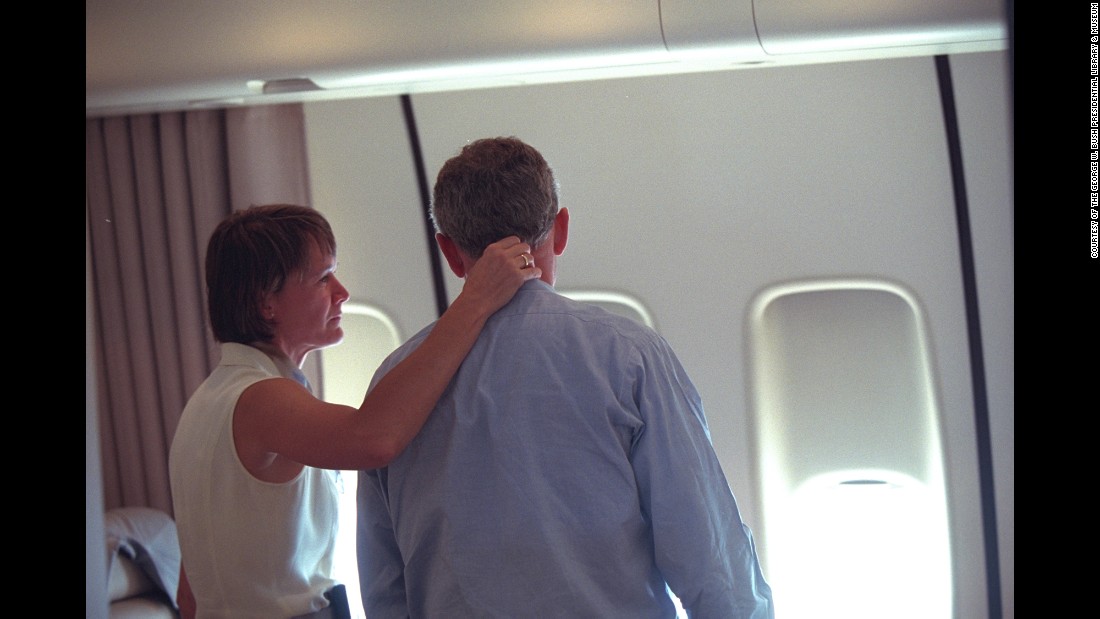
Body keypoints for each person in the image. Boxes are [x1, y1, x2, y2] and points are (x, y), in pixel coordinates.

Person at [355, 137, 775, 618]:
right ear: (561, 230)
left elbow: (385, 588)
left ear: (449, 251)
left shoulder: (393, 388)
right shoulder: (628, 356)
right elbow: (711, 562)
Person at [168, 203, 541, 619]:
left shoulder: (208, 400)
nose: (342, 292)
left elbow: (192, 587)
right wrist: (477, 300)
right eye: (323, 278)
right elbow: (374, 438)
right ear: (266, 302)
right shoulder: (259, 399)